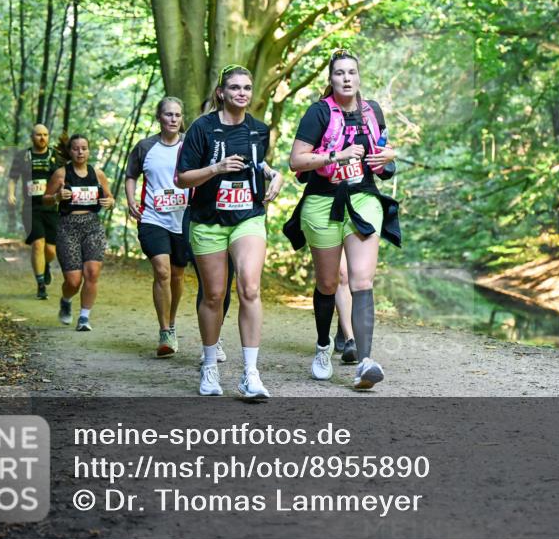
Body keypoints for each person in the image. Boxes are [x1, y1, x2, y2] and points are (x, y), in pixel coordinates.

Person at [284, 49, 399, 389]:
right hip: (322, 202)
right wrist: (338, 154)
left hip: (364, 199)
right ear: (331, 79)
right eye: (339, 73)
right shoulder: (318, 113)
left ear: (359, 76)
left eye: (352, 72)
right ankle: (323, 346)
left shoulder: (371, 111)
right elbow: (296, 161)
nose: (346, 78)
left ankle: (365, 361)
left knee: (361, 281)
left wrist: (387, 157)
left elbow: (383, 159)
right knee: (328, 284)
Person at [176, 65, 283, 399]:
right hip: (207, 220)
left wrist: (274, 175)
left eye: (247, 88)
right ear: (221, 92)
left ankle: (250, 374)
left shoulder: (259, 130)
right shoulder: (202, 129)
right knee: (214, 295)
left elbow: (257, 163)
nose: (242, 93)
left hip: (247, 216)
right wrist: (216, 168)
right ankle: (210, 365)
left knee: (249, 286)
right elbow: (182, 179)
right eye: (235, 87)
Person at [126, 97, 199, 358]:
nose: (173, 119)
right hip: (153, 218)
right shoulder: (145, 147)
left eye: (177, 115)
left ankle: (173, 320)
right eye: (168, 115)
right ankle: (165, 331)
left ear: (182, 119)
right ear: (159, 117)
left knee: (178, 275)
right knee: (162, 271)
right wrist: (131, 199)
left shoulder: (190, 144)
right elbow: (131, 175)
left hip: (183, 218)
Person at [44, 134, 115, 331]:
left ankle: (84, 317)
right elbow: (45, 199)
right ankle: (66, 300)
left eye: (84, 148)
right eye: (76, 148)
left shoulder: (97, 173)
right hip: (68, 227)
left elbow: (110, 198)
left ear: (89, 150)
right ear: (70, 151)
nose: (80, 152)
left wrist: (110, 202)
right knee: (73, 281)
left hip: (92, 225)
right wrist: (57, 196)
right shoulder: (61, 174)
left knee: (92, 273)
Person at [8, 124, 62, 299]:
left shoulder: (55, 156)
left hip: (52, 207)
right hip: (31, 208)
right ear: (32, 137)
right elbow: (12, 178)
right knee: (38, 244)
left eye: (45, 134)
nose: (42, 138)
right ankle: (40, 285)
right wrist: (10, 194)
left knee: (51, 250)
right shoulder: (22, 156)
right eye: (38, 135)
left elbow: (64, 177)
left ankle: (46, 266)